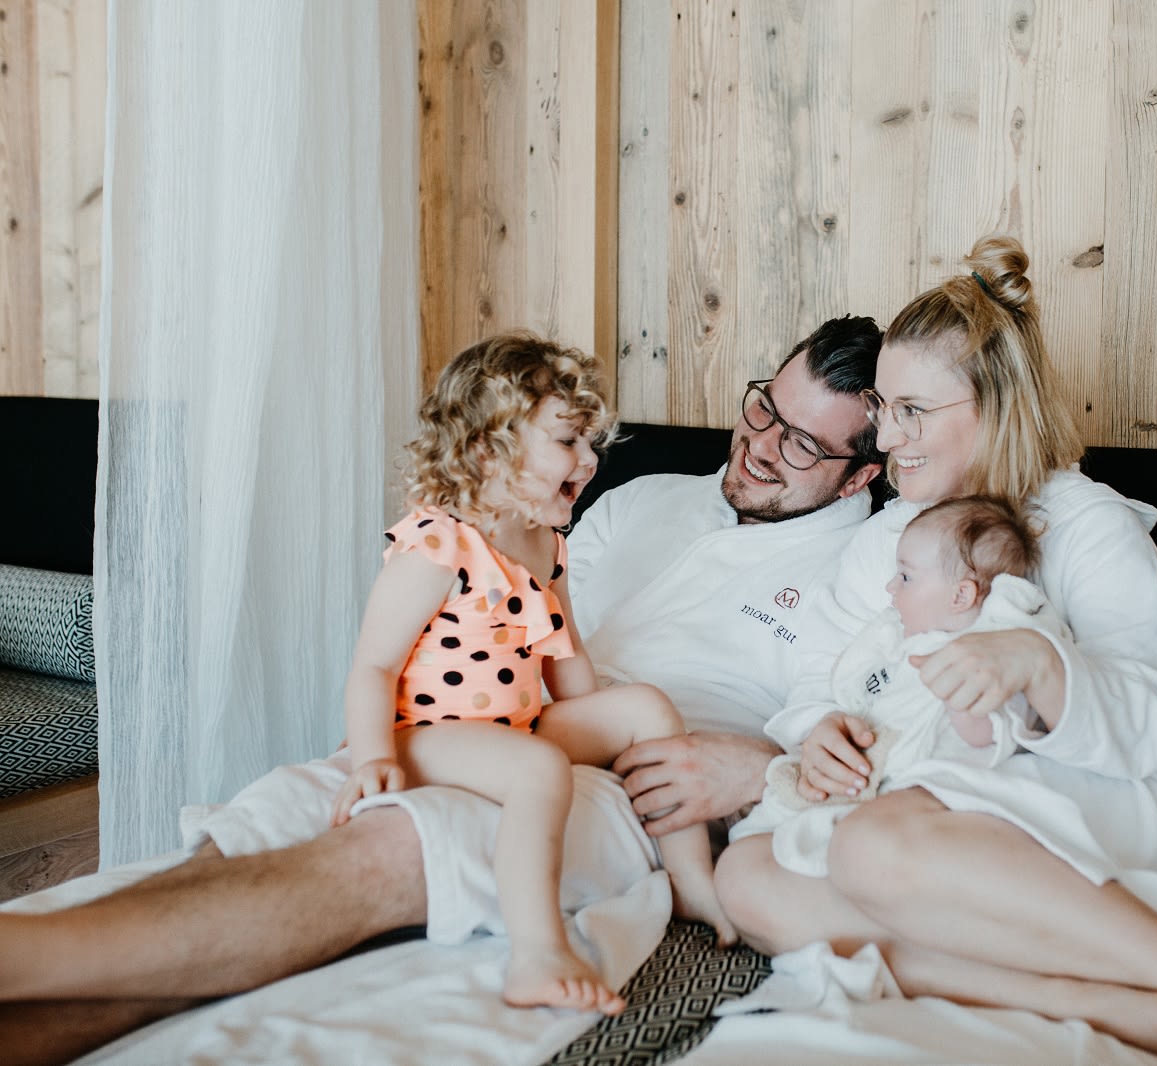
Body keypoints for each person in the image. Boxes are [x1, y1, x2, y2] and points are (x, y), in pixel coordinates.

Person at [0, 316, 884, 1064]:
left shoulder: (869, 572)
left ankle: (28, 955)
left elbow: (861, 739)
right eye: (764, 408)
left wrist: (759, 766)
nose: (760, 445)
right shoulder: (642, 499)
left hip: (629, 781)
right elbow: (533, 622)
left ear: (862, 473)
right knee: (269, 829)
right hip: (499, 716)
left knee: (383, 852)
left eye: (802, 444)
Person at [713, 235, 1157, 1066]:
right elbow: (821, 671)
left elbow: (1153, 722)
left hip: (1107, 788)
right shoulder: (888, 538)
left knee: (870, 847)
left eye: (913, 412)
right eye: (882, 407)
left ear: (995, 405)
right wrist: (820, 728)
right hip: (924, 794)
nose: (887, 437)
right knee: (747, 876)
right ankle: (1091, 1000)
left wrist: (1042, 666)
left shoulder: (1089, 528)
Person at [332, 333, 738, 1013]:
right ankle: (537, 953)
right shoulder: (438, 545)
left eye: (590, 441)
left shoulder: (547, 543)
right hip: (427, 735)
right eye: (568, 441)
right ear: (488, 452)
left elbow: (566, 652)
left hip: (511, 724)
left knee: (645, 705)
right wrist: (373, 758)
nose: (590, 458)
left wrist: (603, 728)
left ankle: (692, 879)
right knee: (538, 769)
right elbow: (373, 666)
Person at [734, 493, 1074, 877]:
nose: (891, 587)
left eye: (906, 577)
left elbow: (984, 735)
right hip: (871, 772)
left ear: (961, 595)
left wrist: (958, 696)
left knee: (778, 849)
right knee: (755, 839)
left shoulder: (992, 647)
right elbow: (860, 694)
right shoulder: (901, 639)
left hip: (924, 802)